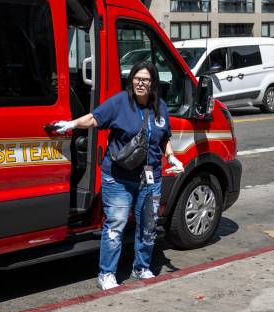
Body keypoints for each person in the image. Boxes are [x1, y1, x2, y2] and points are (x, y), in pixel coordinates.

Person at [54, 61, 184, 290]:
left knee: (148, 225)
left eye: (145, 80)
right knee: (116, 225)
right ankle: (107, 273)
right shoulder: (119, 102)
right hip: (118, 178)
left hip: (150, 177)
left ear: (153, 83)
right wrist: (71, 124)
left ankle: (141, 266)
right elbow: (95, 118)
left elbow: (164, 137)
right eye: (136, 78)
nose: (140, 83)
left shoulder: (160, 106)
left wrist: (172, 157)